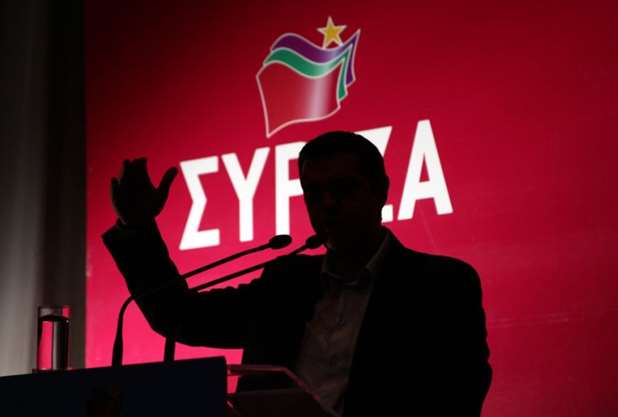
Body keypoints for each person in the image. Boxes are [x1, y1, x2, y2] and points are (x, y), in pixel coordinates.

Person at [103, 131, 492, 416]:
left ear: (381, 192)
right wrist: (137, 229)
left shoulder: (440, 285)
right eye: (314, 192)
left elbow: (457, 401)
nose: (327, 204)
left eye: (343, 189)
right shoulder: (285, 282)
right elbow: (179, 316)